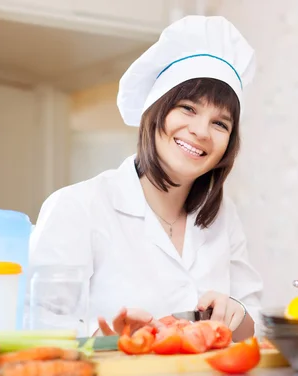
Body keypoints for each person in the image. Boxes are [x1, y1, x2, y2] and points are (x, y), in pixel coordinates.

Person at [28, 15, 263, 342]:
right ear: (155, 111)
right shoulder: (77, 207)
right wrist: (108, 340)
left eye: (220, 124)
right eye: (187, 109)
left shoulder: (223, 216)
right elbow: (42, 330)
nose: (200, 132)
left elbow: (253, 325)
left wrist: (234, 311)